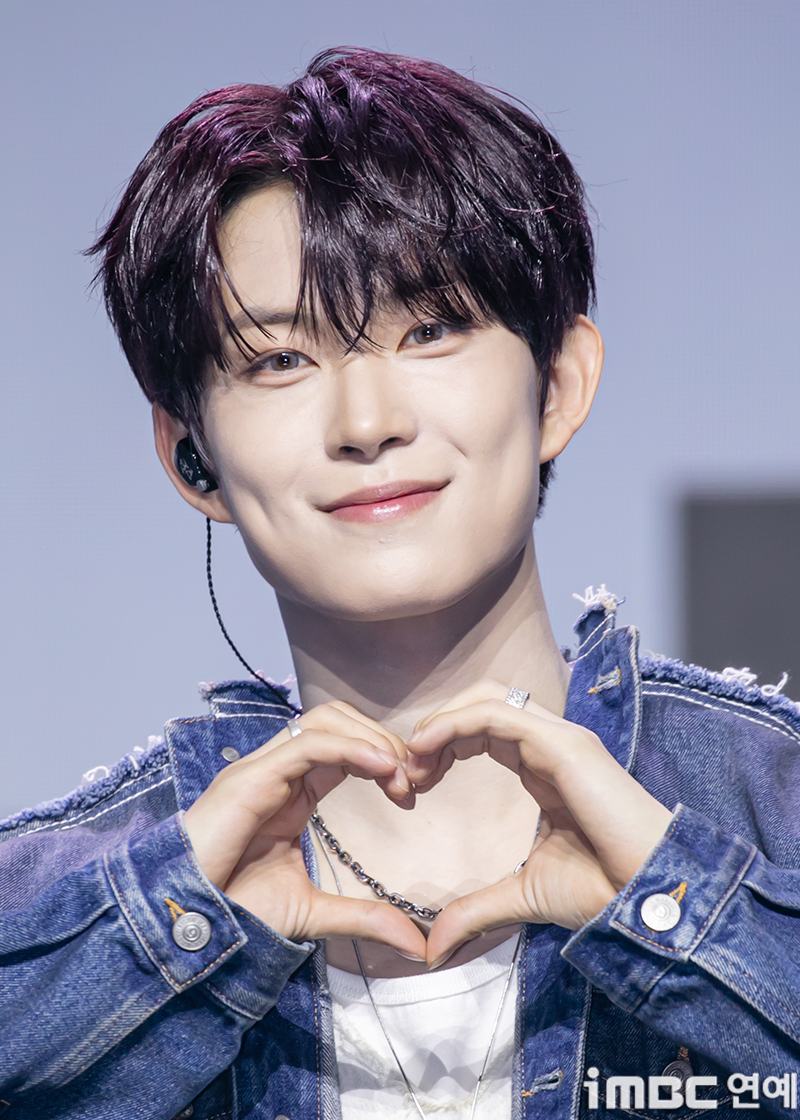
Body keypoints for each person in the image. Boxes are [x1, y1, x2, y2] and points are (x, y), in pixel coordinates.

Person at [1, 47, 799, 1120]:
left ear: (558, 385)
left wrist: (690, 910)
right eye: (279, 361)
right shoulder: (58, 905)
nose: (367, 423)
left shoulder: (772, 807)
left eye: (430, 330)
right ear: (192, 458)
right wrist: (161, 939)